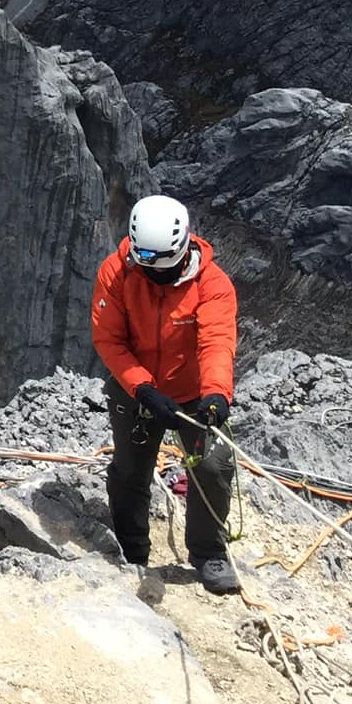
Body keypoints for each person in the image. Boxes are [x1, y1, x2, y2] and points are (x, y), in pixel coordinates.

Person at [92, 193, 242, 595]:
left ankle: (209, 551)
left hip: (193, 392)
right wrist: (143, 388)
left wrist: (215, 395)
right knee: (129, 472)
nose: (155, 276)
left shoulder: (213, 285)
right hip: (137, 389)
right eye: (148, 267)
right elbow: (109, 339)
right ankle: (131, 551)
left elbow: (216, 341)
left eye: (163, 268)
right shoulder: (118, 273)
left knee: (211, 467)